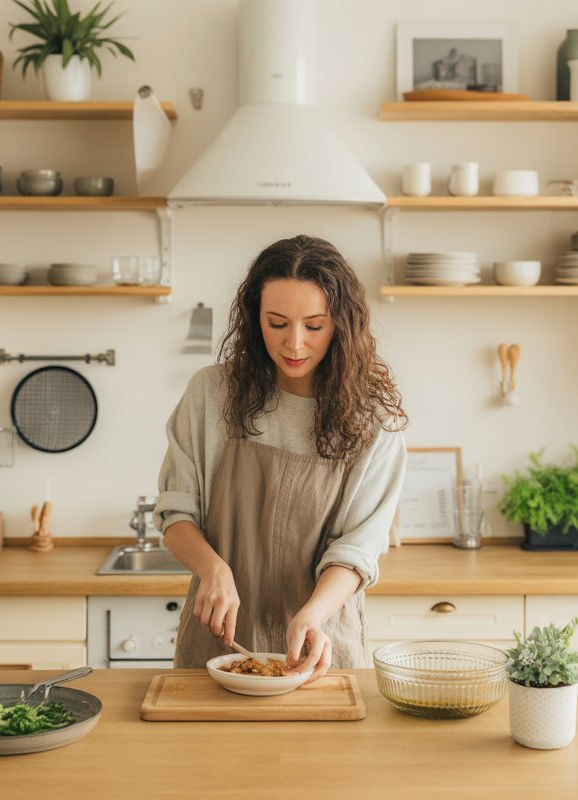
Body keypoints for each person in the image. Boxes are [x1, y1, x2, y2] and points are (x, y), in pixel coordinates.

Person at [154, 235, 408, 682]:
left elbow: (357, 551)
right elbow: (176, 512)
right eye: (277, 323)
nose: (294, 343)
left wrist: (313, 615)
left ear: (342, 325)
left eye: (314, 326)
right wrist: (212, 569)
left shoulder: (375, 422)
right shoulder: (211, 394)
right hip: (217, 647)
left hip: (320, 648)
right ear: (255, 318)